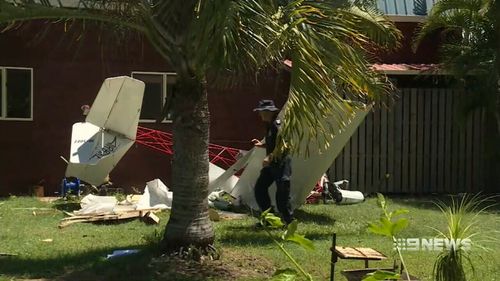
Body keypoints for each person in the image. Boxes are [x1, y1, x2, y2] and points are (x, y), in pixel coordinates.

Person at [252, 99, 294, 225]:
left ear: (268, 112)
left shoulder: (277, 124)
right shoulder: (269, 125)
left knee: (282, 195)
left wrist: (269, 157)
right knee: (260, 189)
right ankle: (268, 218)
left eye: (262, 112)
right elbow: (273, 143)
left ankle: (289, 222)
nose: (260, 115)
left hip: (281, 164)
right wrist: (262, 145)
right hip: (272, 165)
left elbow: (284, 145)